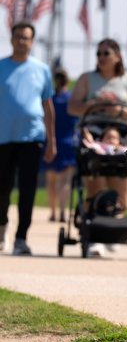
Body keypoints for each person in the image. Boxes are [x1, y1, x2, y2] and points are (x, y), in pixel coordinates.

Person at [0, 22, 57, 255]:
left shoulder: (41, 69)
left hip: (32, 138)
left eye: (26, 38)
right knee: (2, 189)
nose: (22, 41)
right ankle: (2, 227)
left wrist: (51, 140)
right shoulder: (1, 66)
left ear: (32, 42)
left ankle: (21, 237)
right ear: (11, 39)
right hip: (3, 138)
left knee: (28, 189)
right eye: (18, 37)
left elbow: (48, 106)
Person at [68, 39, 127, 211]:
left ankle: (117, 219)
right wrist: (93, 104)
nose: (101, 57)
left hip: (121, 133)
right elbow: (72, 107)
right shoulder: (87, 78)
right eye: (98, 53)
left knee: (122, 195)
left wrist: (119, 111)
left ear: (117, 56)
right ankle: (92, 217)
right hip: (94, 131)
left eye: (106, 53)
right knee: (95, 187)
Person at [44, 68, 77, 223]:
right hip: (68, 141)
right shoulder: (71, 99)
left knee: (51, 180)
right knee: (65, 181)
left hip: (51, 141)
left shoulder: (50, 99)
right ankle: (63, 212)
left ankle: (53, 212)